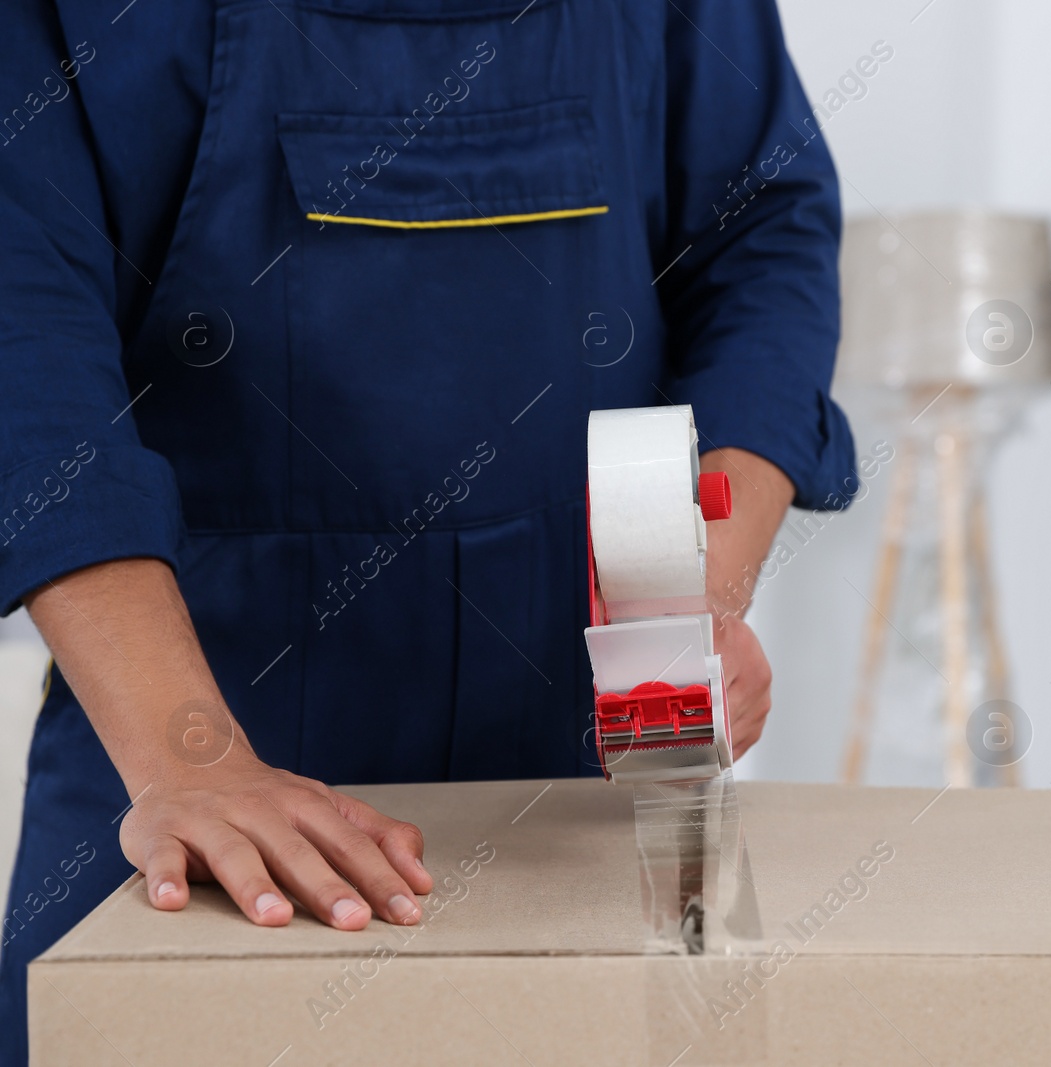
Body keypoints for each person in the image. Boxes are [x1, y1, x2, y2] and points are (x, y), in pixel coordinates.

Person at [0, 0, 855, 1058]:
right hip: (186, 731)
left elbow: (761, 238)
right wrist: (191, 757)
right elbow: (24, 333)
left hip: (579, 758)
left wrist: (697, 595)